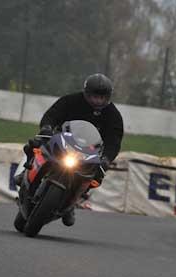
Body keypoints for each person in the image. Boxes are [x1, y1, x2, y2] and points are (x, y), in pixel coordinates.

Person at [15, 73, 124, 226]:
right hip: (63, 141)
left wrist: (106, 159)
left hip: (89, 151)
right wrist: (47, 128)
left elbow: (114, 141)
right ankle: (25, 173)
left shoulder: (113, 115)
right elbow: (52, 115)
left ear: (108, 97)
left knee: (96, 176)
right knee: (35, 145)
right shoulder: (71, 100)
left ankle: (72, 203)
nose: (98, 100)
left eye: (102, 97)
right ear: (86, 93)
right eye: (94, 96)